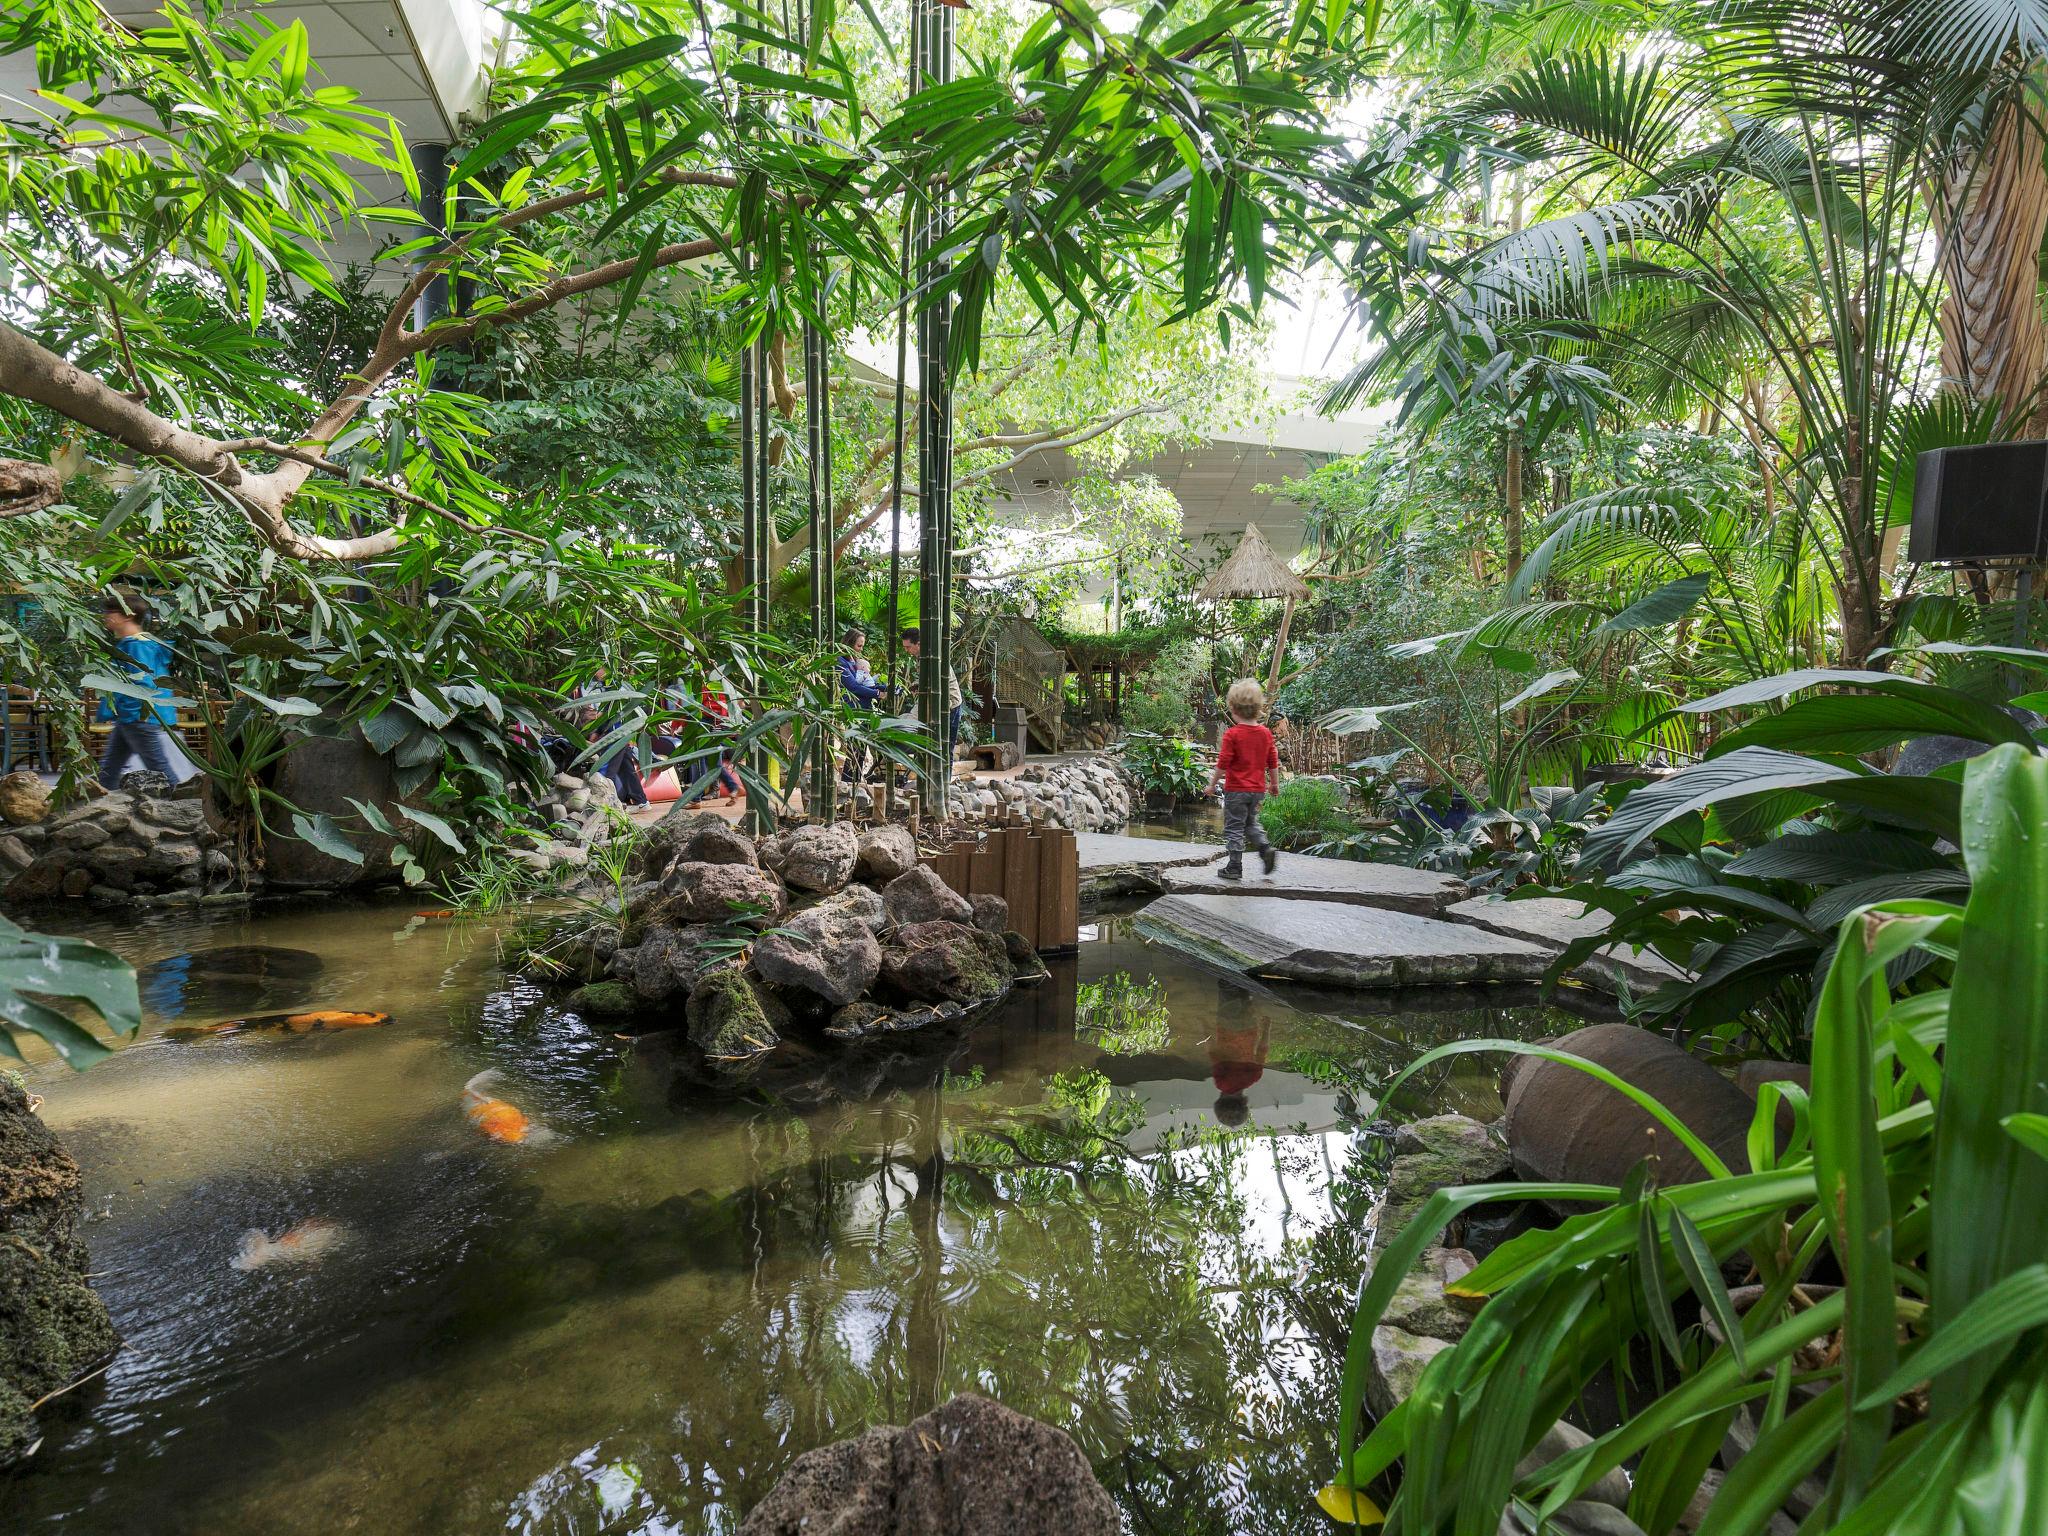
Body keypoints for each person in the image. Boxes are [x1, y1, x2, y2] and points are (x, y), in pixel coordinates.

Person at [96, 590, 180, 789]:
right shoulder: (136, 643)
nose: (105, 617)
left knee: (160, 769)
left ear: (128, 614)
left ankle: (189, 806)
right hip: (130, 717)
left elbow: (143, 685)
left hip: (138, 717)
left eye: (111, 612)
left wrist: (131, 713)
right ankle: (104, 809)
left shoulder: (137, 645)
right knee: (109, 769)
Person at [1206, 677, 1280, 881]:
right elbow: (1273, 761)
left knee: (1234, 826)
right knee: (1250, 823)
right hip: (1257, 791)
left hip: (1236, 790)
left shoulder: (1233, 735)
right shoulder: (1265, 733)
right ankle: (1265, 848)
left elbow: (1223, 763)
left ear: (1233, 709)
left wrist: (1212, 784)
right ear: (1258, 708)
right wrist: (1274, 784)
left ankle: (1235, 866)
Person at [899, 626, 963, 754]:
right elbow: (928, 679)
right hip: (935, 704)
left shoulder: (933, 657)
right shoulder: (920, 657)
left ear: (919, 644)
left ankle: (945, 774)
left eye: (908, 647)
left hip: (949, 704)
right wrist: (917, 685)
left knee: (945, 748)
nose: (906, 650)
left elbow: (938, 683)